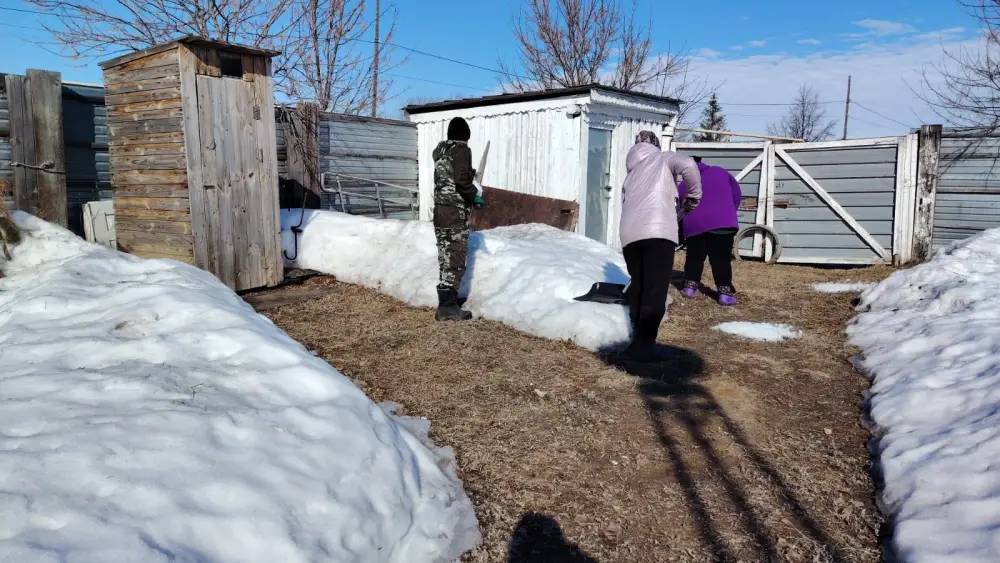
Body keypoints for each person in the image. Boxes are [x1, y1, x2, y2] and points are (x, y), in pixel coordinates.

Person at [619, 131, 702, 361]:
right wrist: (694, 195)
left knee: (640, 285)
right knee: (655, 289)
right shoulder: (663, 158)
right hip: (658, 233)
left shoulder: (630, 175)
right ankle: (645, 346)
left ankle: (638, 337)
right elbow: (688, 164)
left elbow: (624, 205)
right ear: (655, 146)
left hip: (629, 235)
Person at [431, 117, 483, 321]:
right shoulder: (462, 149)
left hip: (440, 210)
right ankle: (448, 306)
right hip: (454, 210)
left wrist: (468, 173)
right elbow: (461, 181)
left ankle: (447, 299)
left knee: (445, 253)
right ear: (464, 137)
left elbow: (452, 175)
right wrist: (474, 196)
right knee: (456, 254)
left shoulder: (441, 151)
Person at [677, 156, 742, 306]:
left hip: (695, 225)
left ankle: (689, 287)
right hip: (723, 224)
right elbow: (736, 195)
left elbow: (681, 204)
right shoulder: (721, 172)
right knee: (721, 260)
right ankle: (724, 294)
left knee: (694, 257)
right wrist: (728, 212)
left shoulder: (685, 183)